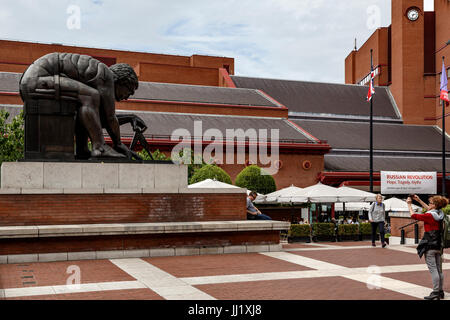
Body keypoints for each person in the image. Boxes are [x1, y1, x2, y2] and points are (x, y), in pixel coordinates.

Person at [19, 52, 139, 159]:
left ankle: (82, 149)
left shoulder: (98, 74)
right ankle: (100, 148)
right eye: (129, 91)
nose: (127, 97)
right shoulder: (106, 75)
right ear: (122, 80)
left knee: (85, 102)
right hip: (36, 80)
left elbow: (96, 118)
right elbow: (109, 118)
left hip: (30, 82)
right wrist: (118, 144)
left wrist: (130, 118)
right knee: (90, 96)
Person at [407, 194, 447, 300]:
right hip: (438, 244)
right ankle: (440, 291)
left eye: (431, 203)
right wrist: (419, 200)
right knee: (439, 269)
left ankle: (435, 292)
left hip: (429, 244)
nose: (429, 204)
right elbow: (429, 209)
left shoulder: (429, 216)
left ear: (435, 205)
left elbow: (413, 216)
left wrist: (409, 205)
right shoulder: (441, 213)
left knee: (433, 269)